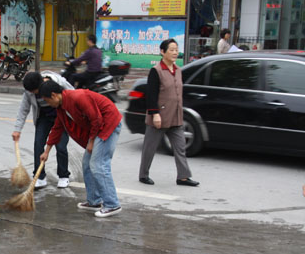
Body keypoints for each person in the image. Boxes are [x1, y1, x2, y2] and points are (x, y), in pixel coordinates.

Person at [39, 80, 123, 218]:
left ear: (54, 95)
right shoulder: (61, 107)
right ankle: (94, 201)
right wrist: (46, 151)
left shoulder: (77, 97)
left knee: (98, 165)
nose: (48, 104)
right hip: (98, 129)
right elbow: (57, 128)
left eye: (47, 101)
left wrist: (91, 141)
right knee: (87, 165)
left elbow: (96, 119)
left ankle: (112, 204)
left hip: (108, 124)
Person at [138, 39, 199, 187]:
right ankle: (143, 175)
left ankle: (183, 177)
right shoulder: (156, 71)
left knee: (180, 147)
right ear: (162, 52)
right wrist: (155, 114)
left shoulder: (178, 70)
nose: (175, 52)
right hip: (160, 117)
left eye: (176, 50)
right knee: (149, 148)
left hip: (176, 116)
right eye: (171, 50)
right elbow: (151, 95)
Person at [12, 71, 72, 189]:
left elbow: (73, 96)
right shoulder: (29, 90)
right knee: (38, 144)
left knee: (61, 146)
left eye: (34, 91)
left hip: (60, 116)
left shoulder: (59, 83)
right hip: (44, 117)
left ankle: (63, 175)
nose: (33, 94)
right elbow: (23, 109)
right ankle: (39, 176)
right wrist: (17, 129)